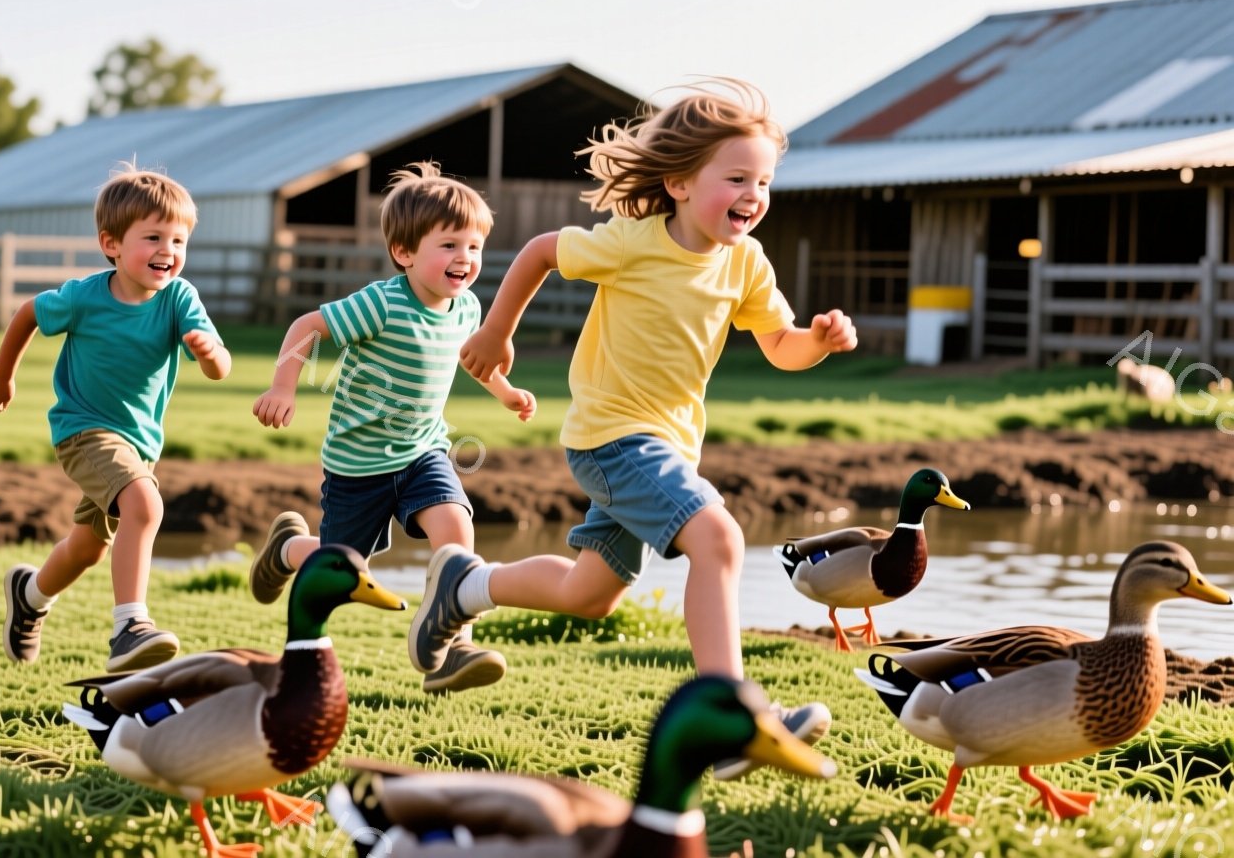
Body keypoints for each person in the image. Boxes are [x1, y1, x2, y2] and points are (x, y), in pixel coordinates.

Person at [447, 79, 857, 777]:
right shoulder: (632, 243)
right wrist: (495, 331)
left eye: (763, 181)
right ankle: (733, 718)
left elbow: (779, 345)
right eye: (736, 178)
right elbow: (543, 250)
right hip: (611, 437)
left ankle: (464, 588)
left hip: (665, 448)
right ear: (677, 182)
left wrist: (816, 339)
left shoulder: (746, 262)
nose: (753, 194)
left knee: (590, 595)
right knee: (719, 537)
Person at [250, 163, 535, 693]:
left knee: (456, 527)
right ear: (405, 253)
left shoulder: (467, 308)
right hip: (358, 463)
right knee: (345, 564)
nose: (465, 260)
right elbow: (308, 326)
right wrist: (283, 387)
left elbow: (478, 363)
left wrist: (507, 392)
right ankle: (289, 548)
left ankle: (454, 647)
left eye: (474, 247)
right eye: (449, 246)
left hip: (423, 451)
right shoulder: (382, 303)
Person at [0, 165, 230, 673]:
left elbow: (220, 367)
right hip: (83, 429)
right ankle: (129, 626)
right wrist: (2, 376)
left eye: (178, 239)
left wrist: (209, 353)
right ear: (111, 243)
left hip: (138, 445)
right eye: (153, 237)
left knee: (88, 548)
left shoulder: (179, 299)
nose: (168, 250)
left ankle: (29, 595)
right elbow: (28, 312)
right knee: (144, 504)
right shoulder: (84, 298)